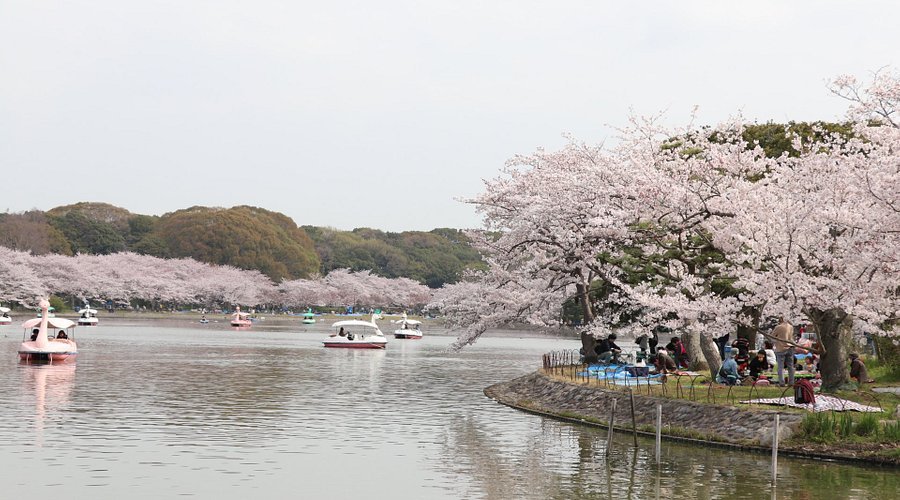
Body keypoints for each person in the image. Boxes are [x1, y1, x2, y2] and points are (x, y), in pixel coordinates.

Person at [772, 317, 795, 387]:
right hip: (790, 347)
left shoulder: (778, 327)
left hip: (781, 347)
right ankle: (791, 382)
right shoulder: (791, 327)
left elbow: (772, 336)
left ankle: (781, 382)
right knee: (790, 366)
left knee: (780, 366)